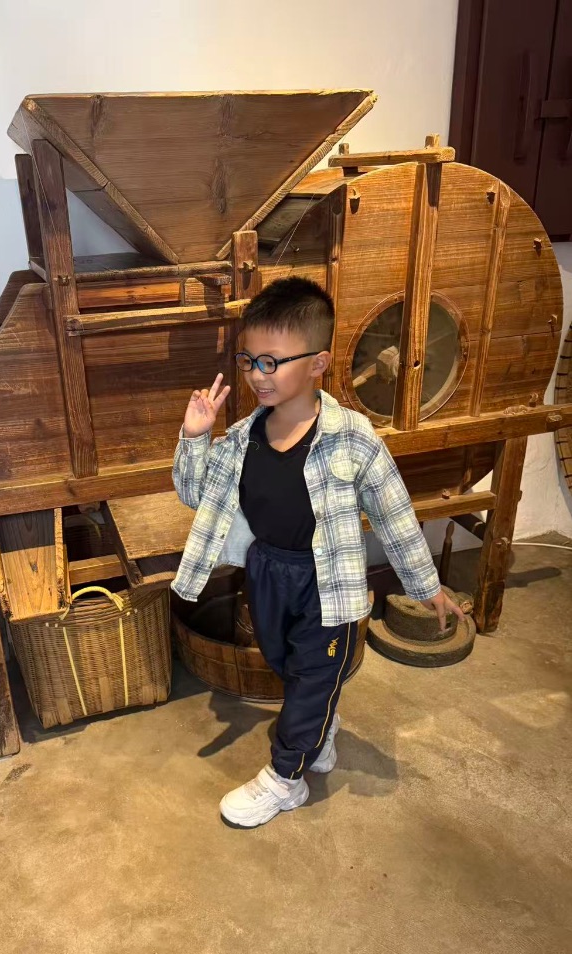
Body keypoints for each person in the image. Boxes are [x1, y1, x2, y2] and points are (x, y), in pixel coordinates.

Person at [171, 276, 465, 829]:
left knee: (311, 677)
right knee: (286, 665)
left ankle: (285, 778)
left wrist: (426, 586)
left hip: (328, 582)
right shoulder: (242, 438)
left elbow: (394, 513)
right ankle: (320, 727)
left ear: (318, 363)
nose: (257, 375)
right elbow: (194, 494)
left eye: (273, 362)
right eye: (249, 360)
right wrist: (195, 436)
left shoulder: (352, 437)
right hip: (267, 573)